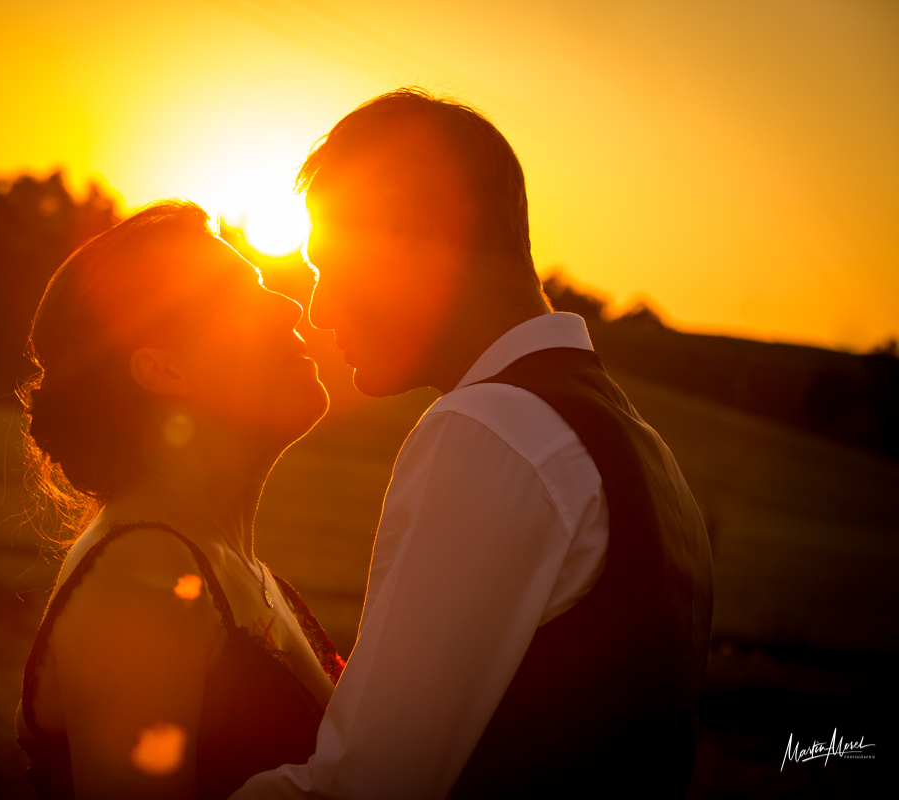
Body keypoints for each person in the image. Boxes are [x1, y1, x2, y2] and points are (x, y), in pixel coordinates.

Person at [231, 89, 714, 798]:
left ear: (406, 226)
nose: (319, 309)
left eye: (328, 265)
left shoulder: (493, 430)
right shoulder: (644, 454)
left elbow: (366, 785)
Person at [15, 200, 345, 799]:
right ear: (163, 371)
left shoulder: (242, 570)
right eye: (239, 302)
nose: (288, 305)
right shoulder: (141, 578)